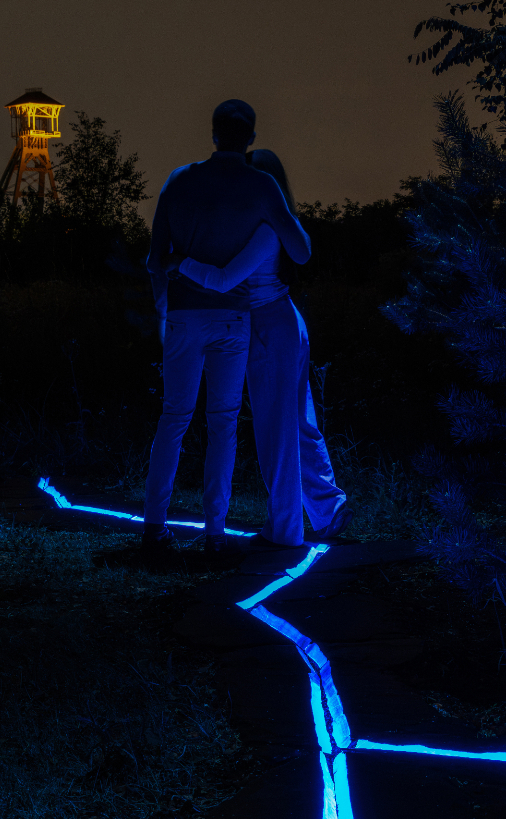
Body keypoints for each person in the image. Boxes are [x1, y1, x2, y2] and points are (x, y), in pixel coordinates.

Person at [141, 99, 311, 553]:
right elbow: (301, 251)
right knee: (223, 425)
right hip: (234, 318)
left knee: (173, 419)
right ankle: (213, 533)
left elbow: (155, 260)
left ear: (212, 133)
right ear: (251, 138)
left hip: (181, 315)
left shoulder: (179, 181)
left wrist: (164, 309)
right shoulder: (261, 186)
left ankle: (154, 527)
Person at [171, 149, 351, 546]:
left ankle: (286, 531)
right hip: (282, 323)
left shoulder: (266, 229)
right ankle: (327, 506)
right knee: (297, 425)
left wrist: (179, 262)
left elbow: (222, 279)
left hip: (270, 327)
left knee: (277, 434)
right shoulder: (275, 224)